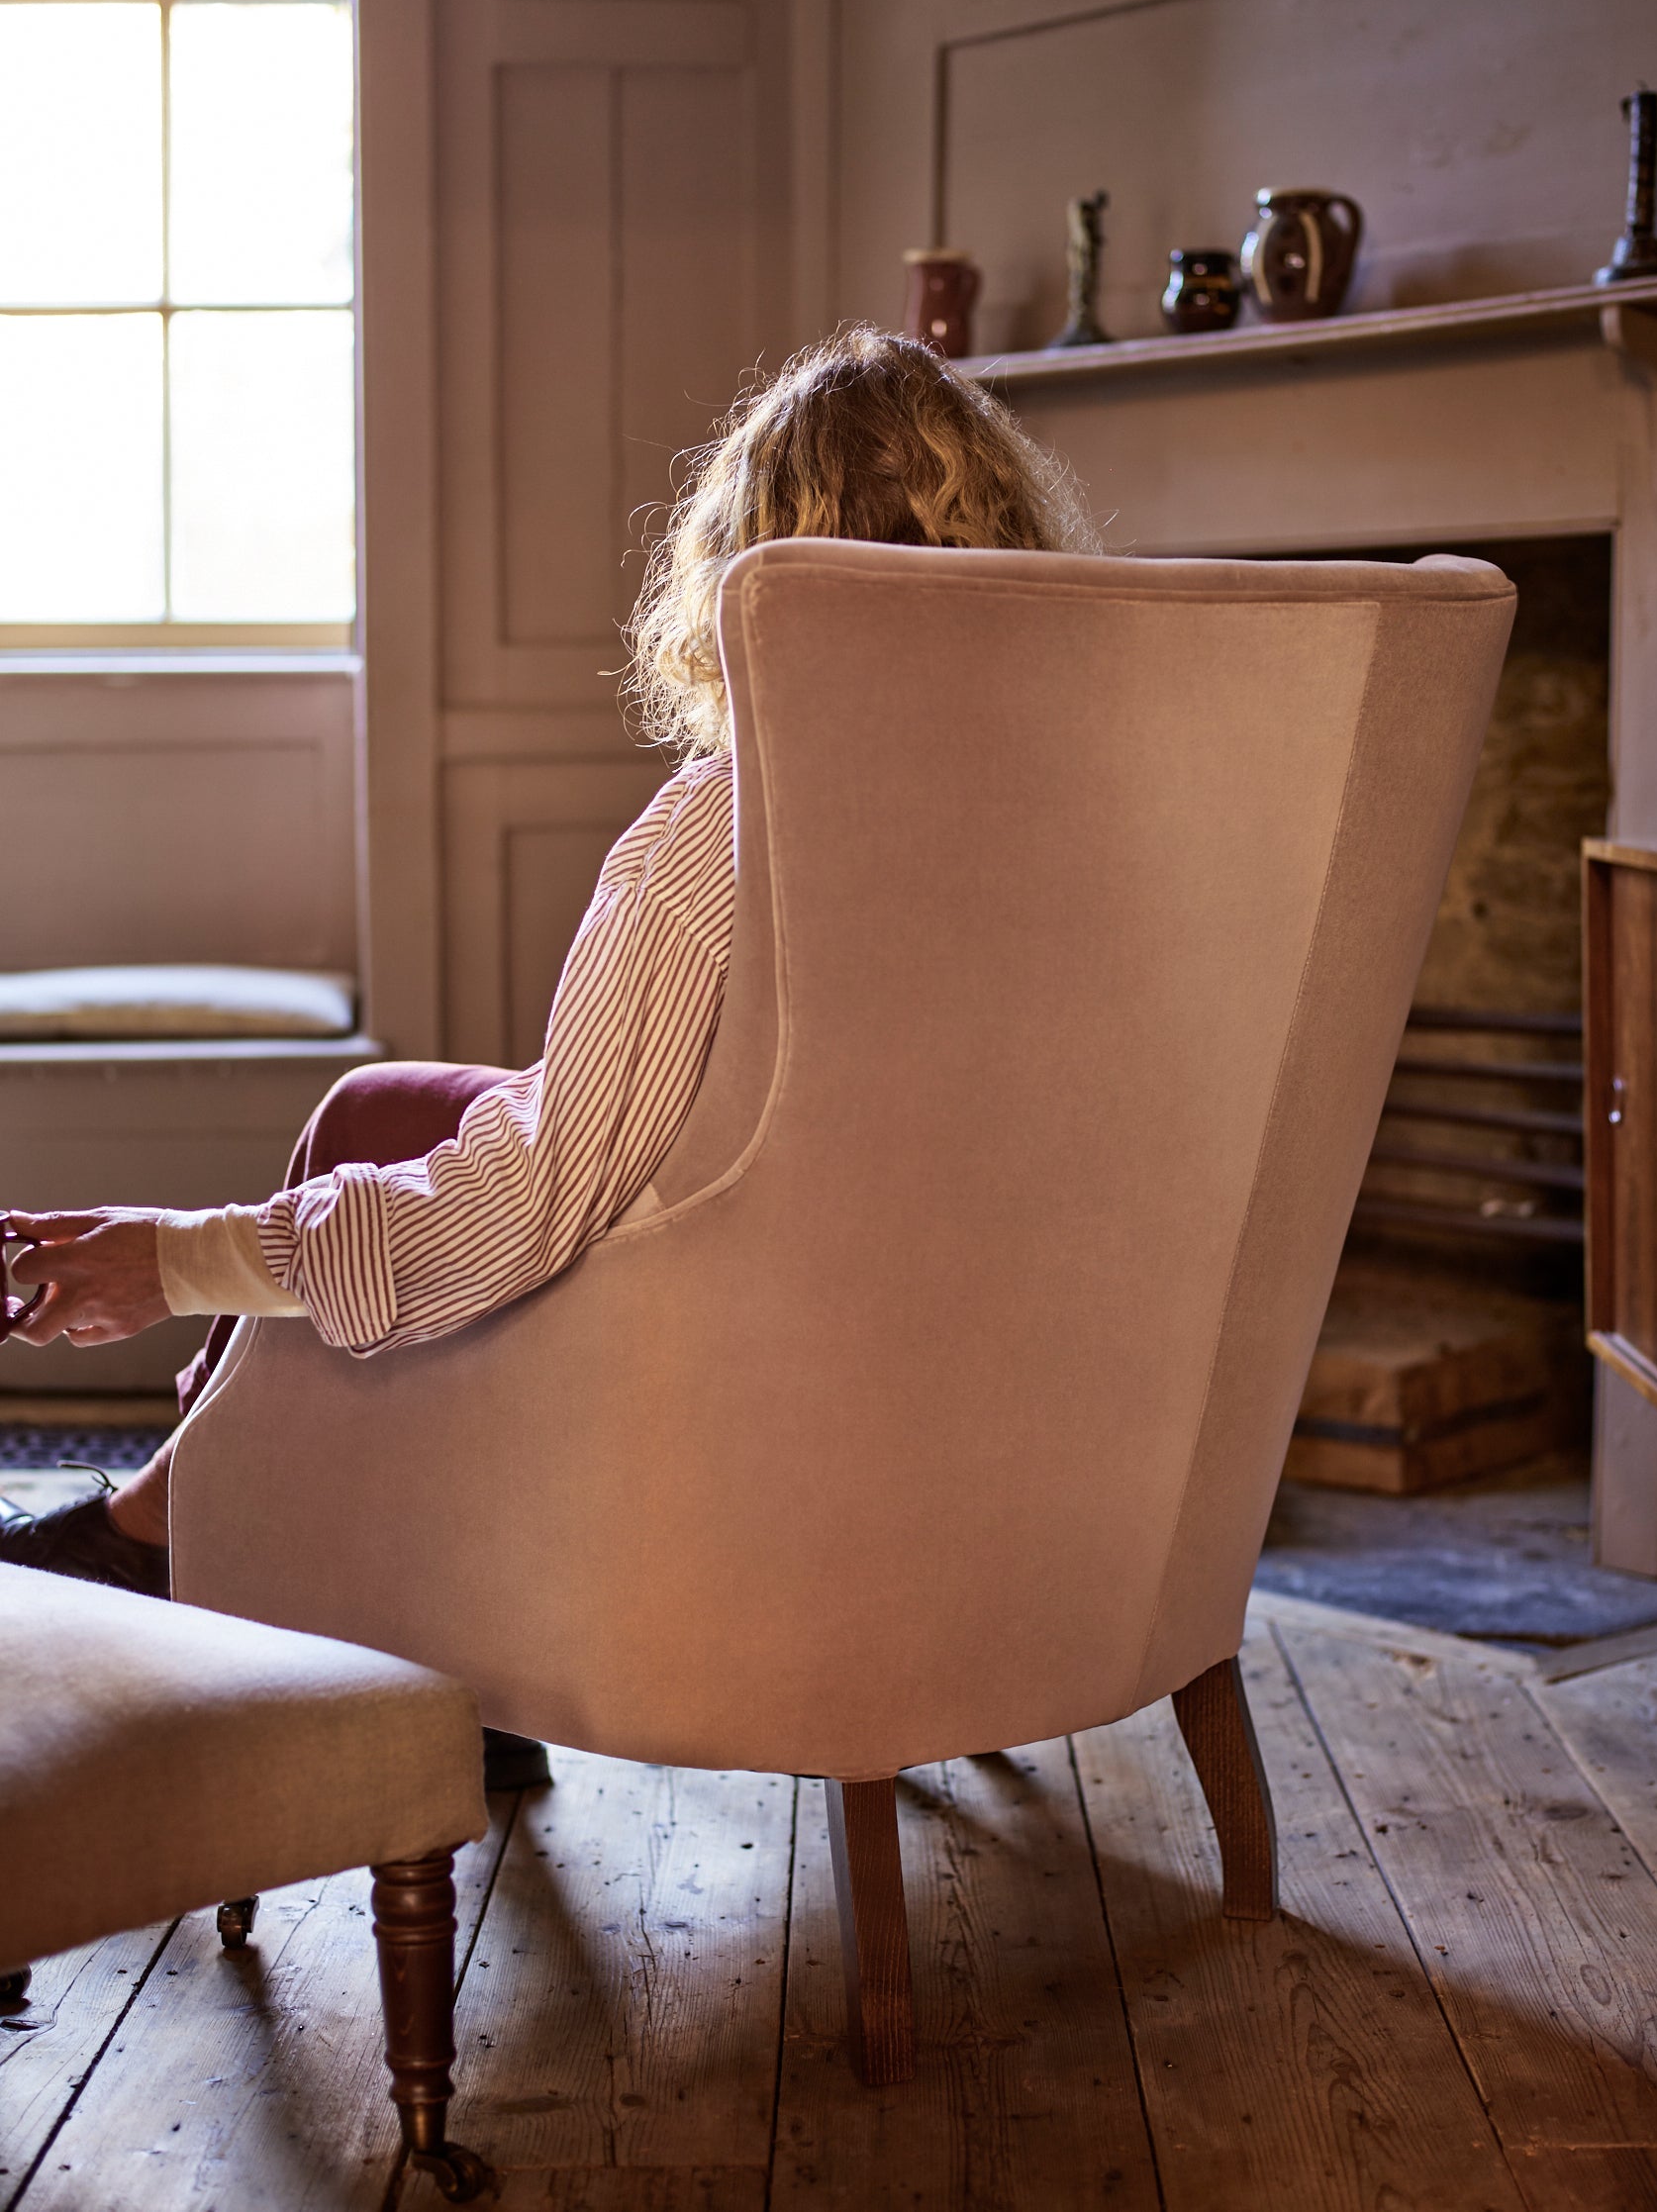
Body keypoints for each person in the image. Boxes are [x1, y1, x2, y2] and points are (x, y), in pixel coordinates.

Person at [1, 327, 1097, 1616]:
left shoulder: (728, 833)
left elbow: (524, 1211)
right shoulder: (1077, 815)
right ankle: (170, 1514)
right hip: (983, 1355)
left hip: (753, 1391)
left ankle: (234, 1555)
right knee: (390, 1107)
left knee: (408, 1181)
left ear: (747, 574)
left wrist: (181, 1256)